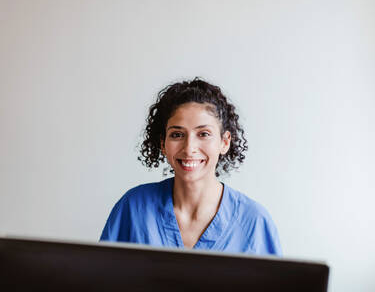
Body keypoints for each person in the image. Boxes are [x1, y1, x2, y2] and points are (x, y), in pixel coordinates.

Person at [100, 78, 282, 256]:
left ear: (224, 142)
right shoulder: (134, 208)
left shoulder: (254, 222)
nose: (189, 148)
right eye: (177, 134)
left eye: (203, 134)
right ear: (163, 143)